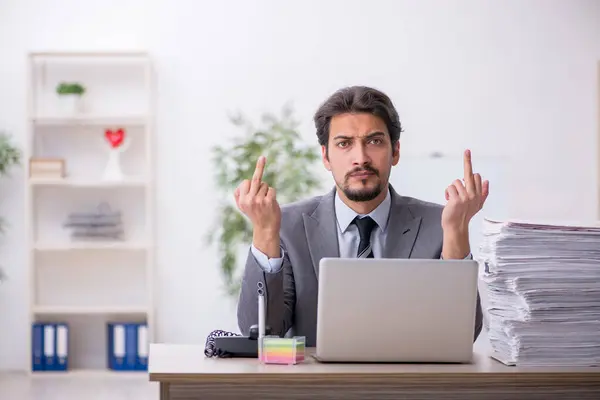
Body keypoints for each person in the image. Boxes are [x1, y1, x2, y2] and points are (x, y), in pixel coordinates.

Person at [234, 86, 489, 347]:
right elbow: (262, 334)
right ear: (326, 156)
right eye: (344, 144)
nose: (361, 158)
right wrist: (265, 232)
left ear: (396, 151)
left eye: (374, 141)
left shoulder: (442, 224)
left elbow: (462, 335)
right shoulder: (286, 226)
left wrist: (457, 231)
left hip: (407, 386)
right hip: (315, 387)